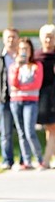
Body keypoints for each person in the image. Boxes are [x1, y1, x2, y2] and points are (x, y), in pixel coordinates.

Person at [0, 28, 21, 170]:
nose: (11, 40)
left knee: (23, 131)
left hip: (21, 100)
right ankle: (7, 160)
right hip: (5, 101)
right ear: (3, 39)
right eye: (8, 37)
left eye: (13, 37)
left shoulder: (23, 57)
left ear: (18, 39)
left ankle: (24, 160)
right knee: (6, 132)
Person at [8, 38, 44, 169]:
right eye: (21, 49)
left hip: (31, 101)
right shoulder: (14, 66)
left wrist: (22, 88)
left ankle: (40, 160)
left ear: (31, 51)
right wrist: (18, 67)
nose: (24, 52)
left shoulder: (36, 66)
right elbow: (13, 84)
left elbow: (36, 84)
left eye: (26, 49)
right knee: (21, 132)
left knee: (30, 131)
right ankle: (26, 161)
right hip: (16, 101)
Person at [35, 24, 55, 168]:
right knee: (49, 128)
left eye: (52, 36)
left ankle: (46, 160)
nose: (49, 39)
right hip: (44, 96)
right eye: (46, 37)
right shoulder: (36, 56)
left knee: (53, 128)